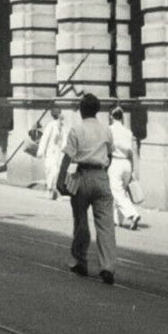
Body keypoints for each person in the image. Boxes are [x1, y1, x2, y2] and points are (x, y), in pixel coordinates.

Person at [57, 92, 117, 285]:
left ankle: (80, 261)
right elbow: (110, 154)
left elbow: (67, 156)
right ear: (97, 111)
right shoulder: (106, 130)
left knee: (81, 221)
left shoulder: (76, 130)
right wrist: (103, 170)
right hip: (101, 177)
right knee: (106, 225)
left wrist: (60, 180)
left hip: (82, 176)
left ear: (81, 111)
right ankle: (107, 267)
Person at [108, 107, 142, 230]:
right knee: (122, 191)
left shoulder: (109, 130)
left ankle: (133, 214)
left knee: (116, 191)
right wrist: (132, 169)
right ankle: (118, 220)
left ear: (111, 116)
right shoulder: (128, 132)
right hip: (127, 163)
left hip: (116, 162)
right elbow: (131, 152)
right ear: (121, 117)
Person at [41, 107, 68, 200]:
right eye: (60, 113)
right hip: (51, 151)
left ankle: (54, 190)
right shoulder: (51, 125)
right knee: (50, 170)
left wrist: (64, 149)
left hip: (58, 152)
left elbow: (64, 139)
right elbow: (45, 138)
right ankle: (49, 189)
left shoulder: (62, 126)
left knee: (56, 171)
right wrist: (41, 150)